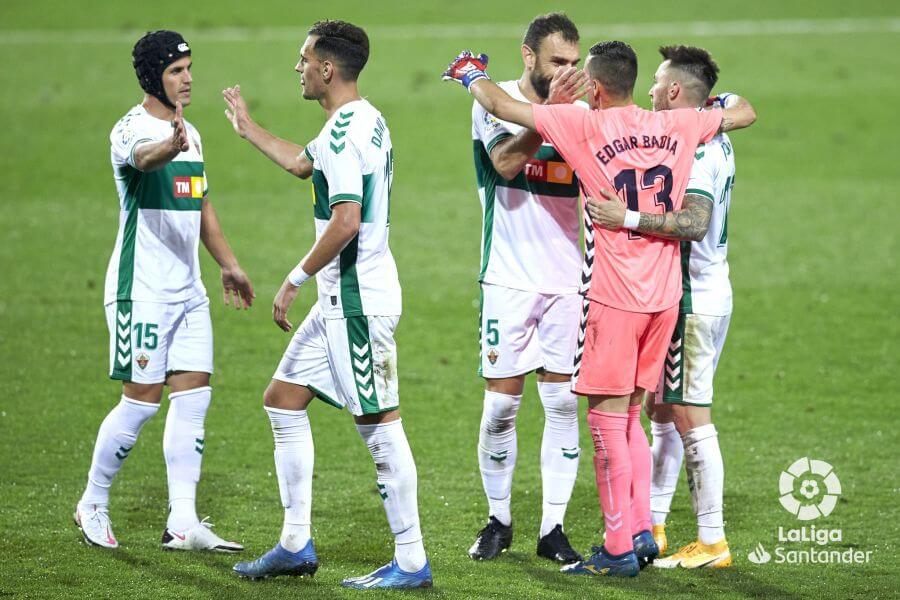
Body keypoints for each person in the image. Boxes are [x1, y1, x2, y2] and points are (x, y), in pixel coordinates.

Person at [443, 40, 755, 577]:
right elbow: (744, 113)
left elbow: (498, 107)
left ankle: (616, 550)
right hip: (665, 298)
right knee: (633, 414)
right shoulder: (680, 127)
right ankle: (639, 529)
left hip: (615, 298)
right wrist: (720, 100)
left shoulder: (583, 125)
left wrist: (469, 75)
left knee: (607, 423)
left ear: (599, 87)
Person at [222, 20, 431, 590]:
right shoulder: (366, 117)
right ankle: (295, 544)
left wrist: (293, 277)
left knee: (379, 423)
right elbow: (303, 164)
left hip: (357, 302)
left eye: (304, 58)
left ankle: (411, 559)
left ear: (327, 69)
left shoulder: (345, 132)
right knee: (283, 400)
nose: (298, 67)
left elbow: (346, 219)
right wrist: (249, 128)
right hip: (342, 299)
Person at [75, 30, 255, 553]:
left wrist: (229, 265)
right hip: (143, 290)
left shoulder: (192, 134)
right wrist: (167, 145)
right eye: (177, 71)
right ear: (154, 76)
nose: (189, 78)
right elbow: (144, 159)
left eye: (190, 68)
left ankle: (182, 522)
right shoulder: (131, 129)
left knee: (194, 398)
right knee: (140, 403)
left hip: (187, 290)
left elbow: (200, 203)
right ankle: (92, 501)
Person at [589, 45, 738, 570]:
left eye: (657, 83)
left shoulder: (696, 151)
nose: (650, 92)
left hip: (693, 298)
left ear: (675, 91)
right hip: (703, 293)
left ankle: (713, 541)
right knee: (661, 410)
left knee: (691, 416)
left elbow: (693, 223)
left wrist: (624, 217)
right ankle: (651, 523)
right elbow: (735, 102)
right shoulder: (707, 133)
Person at [467, 12, 584, 565]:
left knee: (562, 404)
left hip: (567, 280)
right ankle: (499, 519)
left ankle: (553, 529)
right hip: (508, 279)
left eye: (574, 63)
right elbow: (507, 163)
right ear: (528, 55)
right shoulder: (493, 103)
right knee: (500, 409)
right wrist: (552, 116)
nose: (567, 72)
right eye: (557, 61)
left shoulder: (584, 112)